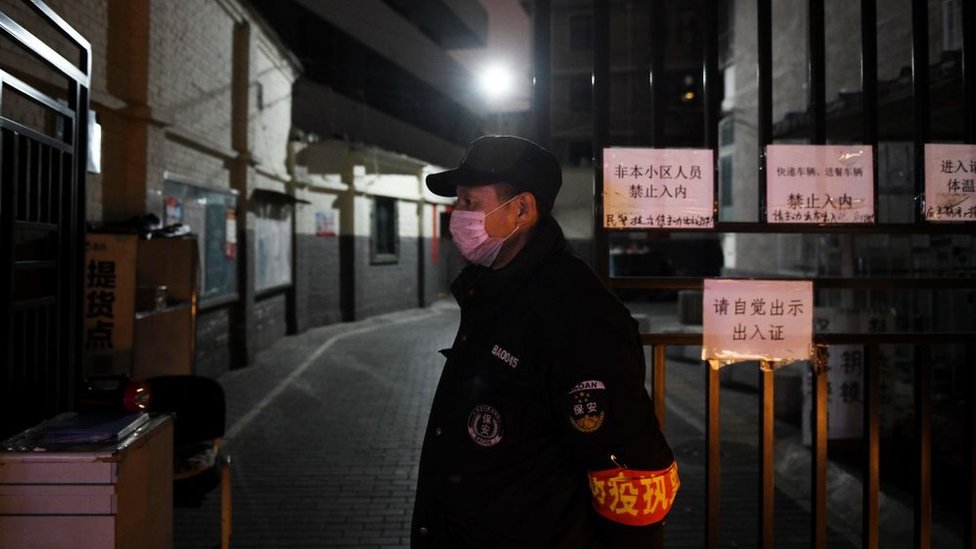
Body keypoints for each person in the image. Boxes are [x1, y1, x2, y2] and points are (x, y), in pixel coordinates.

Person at [411, 135, 679, 548]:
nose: (457, 215)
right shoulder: (493, 291)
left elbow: (627, 464)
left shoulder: (575, 310)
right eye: (457, 203)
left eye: (469, 202)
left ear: (521, 208)